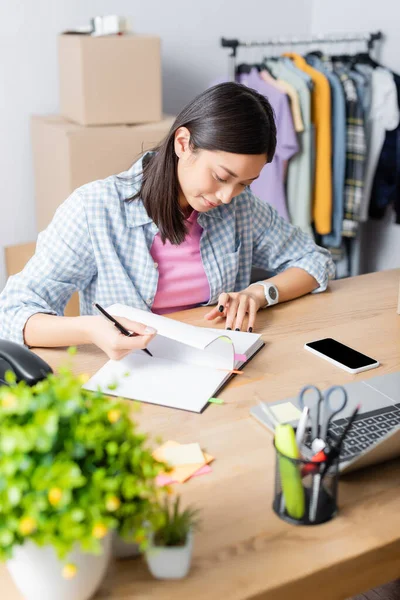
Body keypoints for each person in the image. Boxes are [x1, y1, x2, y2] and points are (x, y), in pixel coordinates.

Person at [0, 83, 334, 361]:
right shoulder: (94, 209)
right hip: (131, 373)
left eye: (245, 183)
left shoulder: (240, 207)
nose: (227, 196)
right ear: (183, 143)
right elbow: (13, 314)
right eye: (221, 176)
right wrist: (90, 328)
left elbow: (315, 259)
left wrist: (260, 293)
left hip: (216, 368)